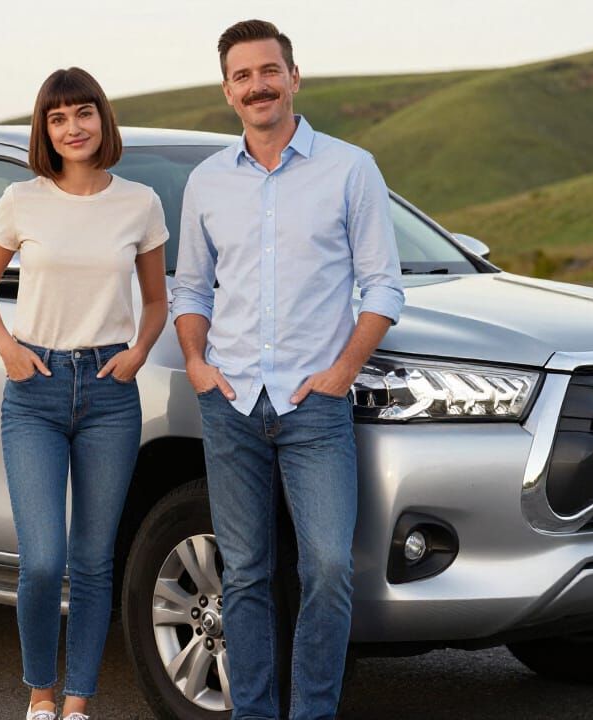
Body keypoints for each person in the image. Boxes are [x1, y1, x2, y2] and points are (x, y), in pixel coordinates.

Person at [171, 19, 405, 720]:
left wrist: (340, 374)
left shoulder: (350, 168)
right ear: (227, 91)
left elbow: (383, 287)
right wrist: (195, 363)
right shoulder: (208, 181)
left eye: (268, 71)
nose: (258, 86)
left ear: (294, 78)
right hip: (230, 402)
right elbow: (189, 288)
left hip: (316, 404)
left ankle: (312, 713)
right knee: (243, 575)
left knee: (329, 569)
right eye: (242, 76)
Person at [0, 67, 170, 720]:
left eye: (83, 113)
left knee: (92, 561)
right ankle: (40, 693)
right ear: (44, 131)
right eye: (58, 118)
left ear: (102, 120)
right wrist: (9, 350)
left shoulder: (138, 203)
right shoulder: (21, 200)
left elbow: (158, 299)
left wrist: (137, 353)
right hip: (35, 394)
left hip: (111, 394)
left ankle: (78, 701)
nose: (73, 127)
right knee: (43, 561)